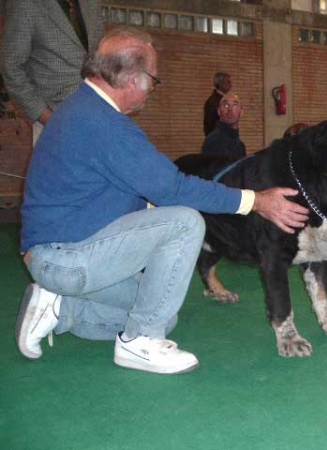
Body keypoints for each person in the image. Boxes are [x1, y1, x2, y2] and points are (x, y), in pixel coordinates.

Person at [15, 27, 309, 375]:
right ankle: (140, 343)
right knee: (185, 221)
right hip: (64, 260)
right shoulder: (104, 124)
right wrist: (256, 201)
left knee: (161, 312)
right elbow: (173, 189)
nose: (153, 87)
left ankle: (60, 308)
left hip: (62, 258)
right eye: (154, 78)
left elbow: (107, 192)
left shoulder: (81, 108)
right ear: (133, 80)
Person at [1, 0, 105, 144]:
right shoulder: (24, 3)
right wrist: (46, 117)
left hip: (96, 117)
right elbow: (11, 67)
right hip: (52, 120)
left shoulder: (92, 3)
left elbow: (100, 55)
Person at [201, 92, 246, 159]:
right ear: (219, 111)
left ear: (241, 112)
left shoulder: (240, 146)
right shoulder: (212, 142)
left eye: (234, 105)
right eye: (226, 105)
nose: (230, 109)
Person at [203, 72, 231, 136]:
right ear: (221, 84)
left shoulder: (225, 99)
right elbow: (209, 126)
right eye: (228, 82)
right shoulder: (213, 102)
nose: (231, 85)